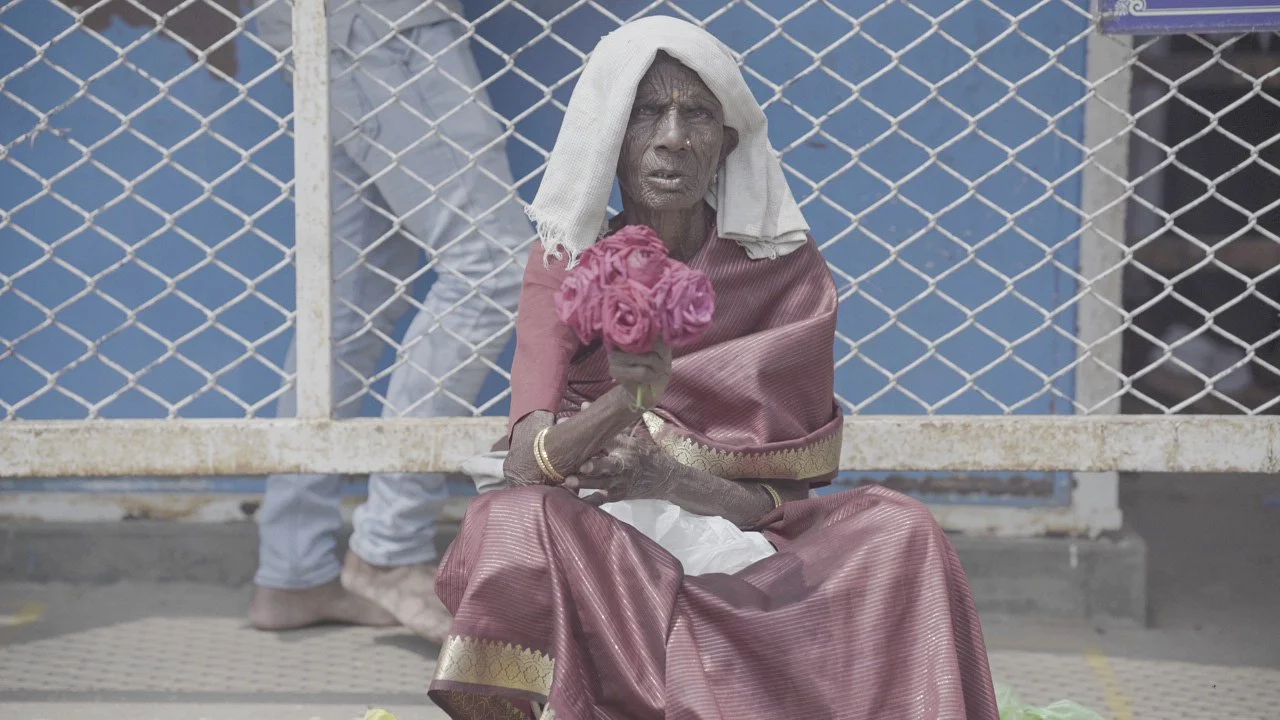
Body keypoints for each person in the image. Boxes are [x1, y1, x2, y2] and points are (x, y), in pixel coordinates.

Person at [427, 16, 998, 720]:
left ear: (726, 142)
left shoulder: (785, 275)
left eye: (696, 113)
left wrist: (665, 477)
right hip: (607, 542)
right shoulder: (563, 263)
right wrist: (625, 402)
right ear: (610, 134)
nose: (672, 137)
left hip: (736, 541)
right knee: (512, 523)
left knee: (900, 530)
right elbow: (524, 463)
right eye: (646, 113)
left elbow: (781, 505)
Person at [245, 0, 533, 637]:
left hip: (330, 26)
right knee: (493, 267)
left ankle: (293, 568)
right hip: (385, 22)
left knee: (348, 302)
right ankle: (388, 548)